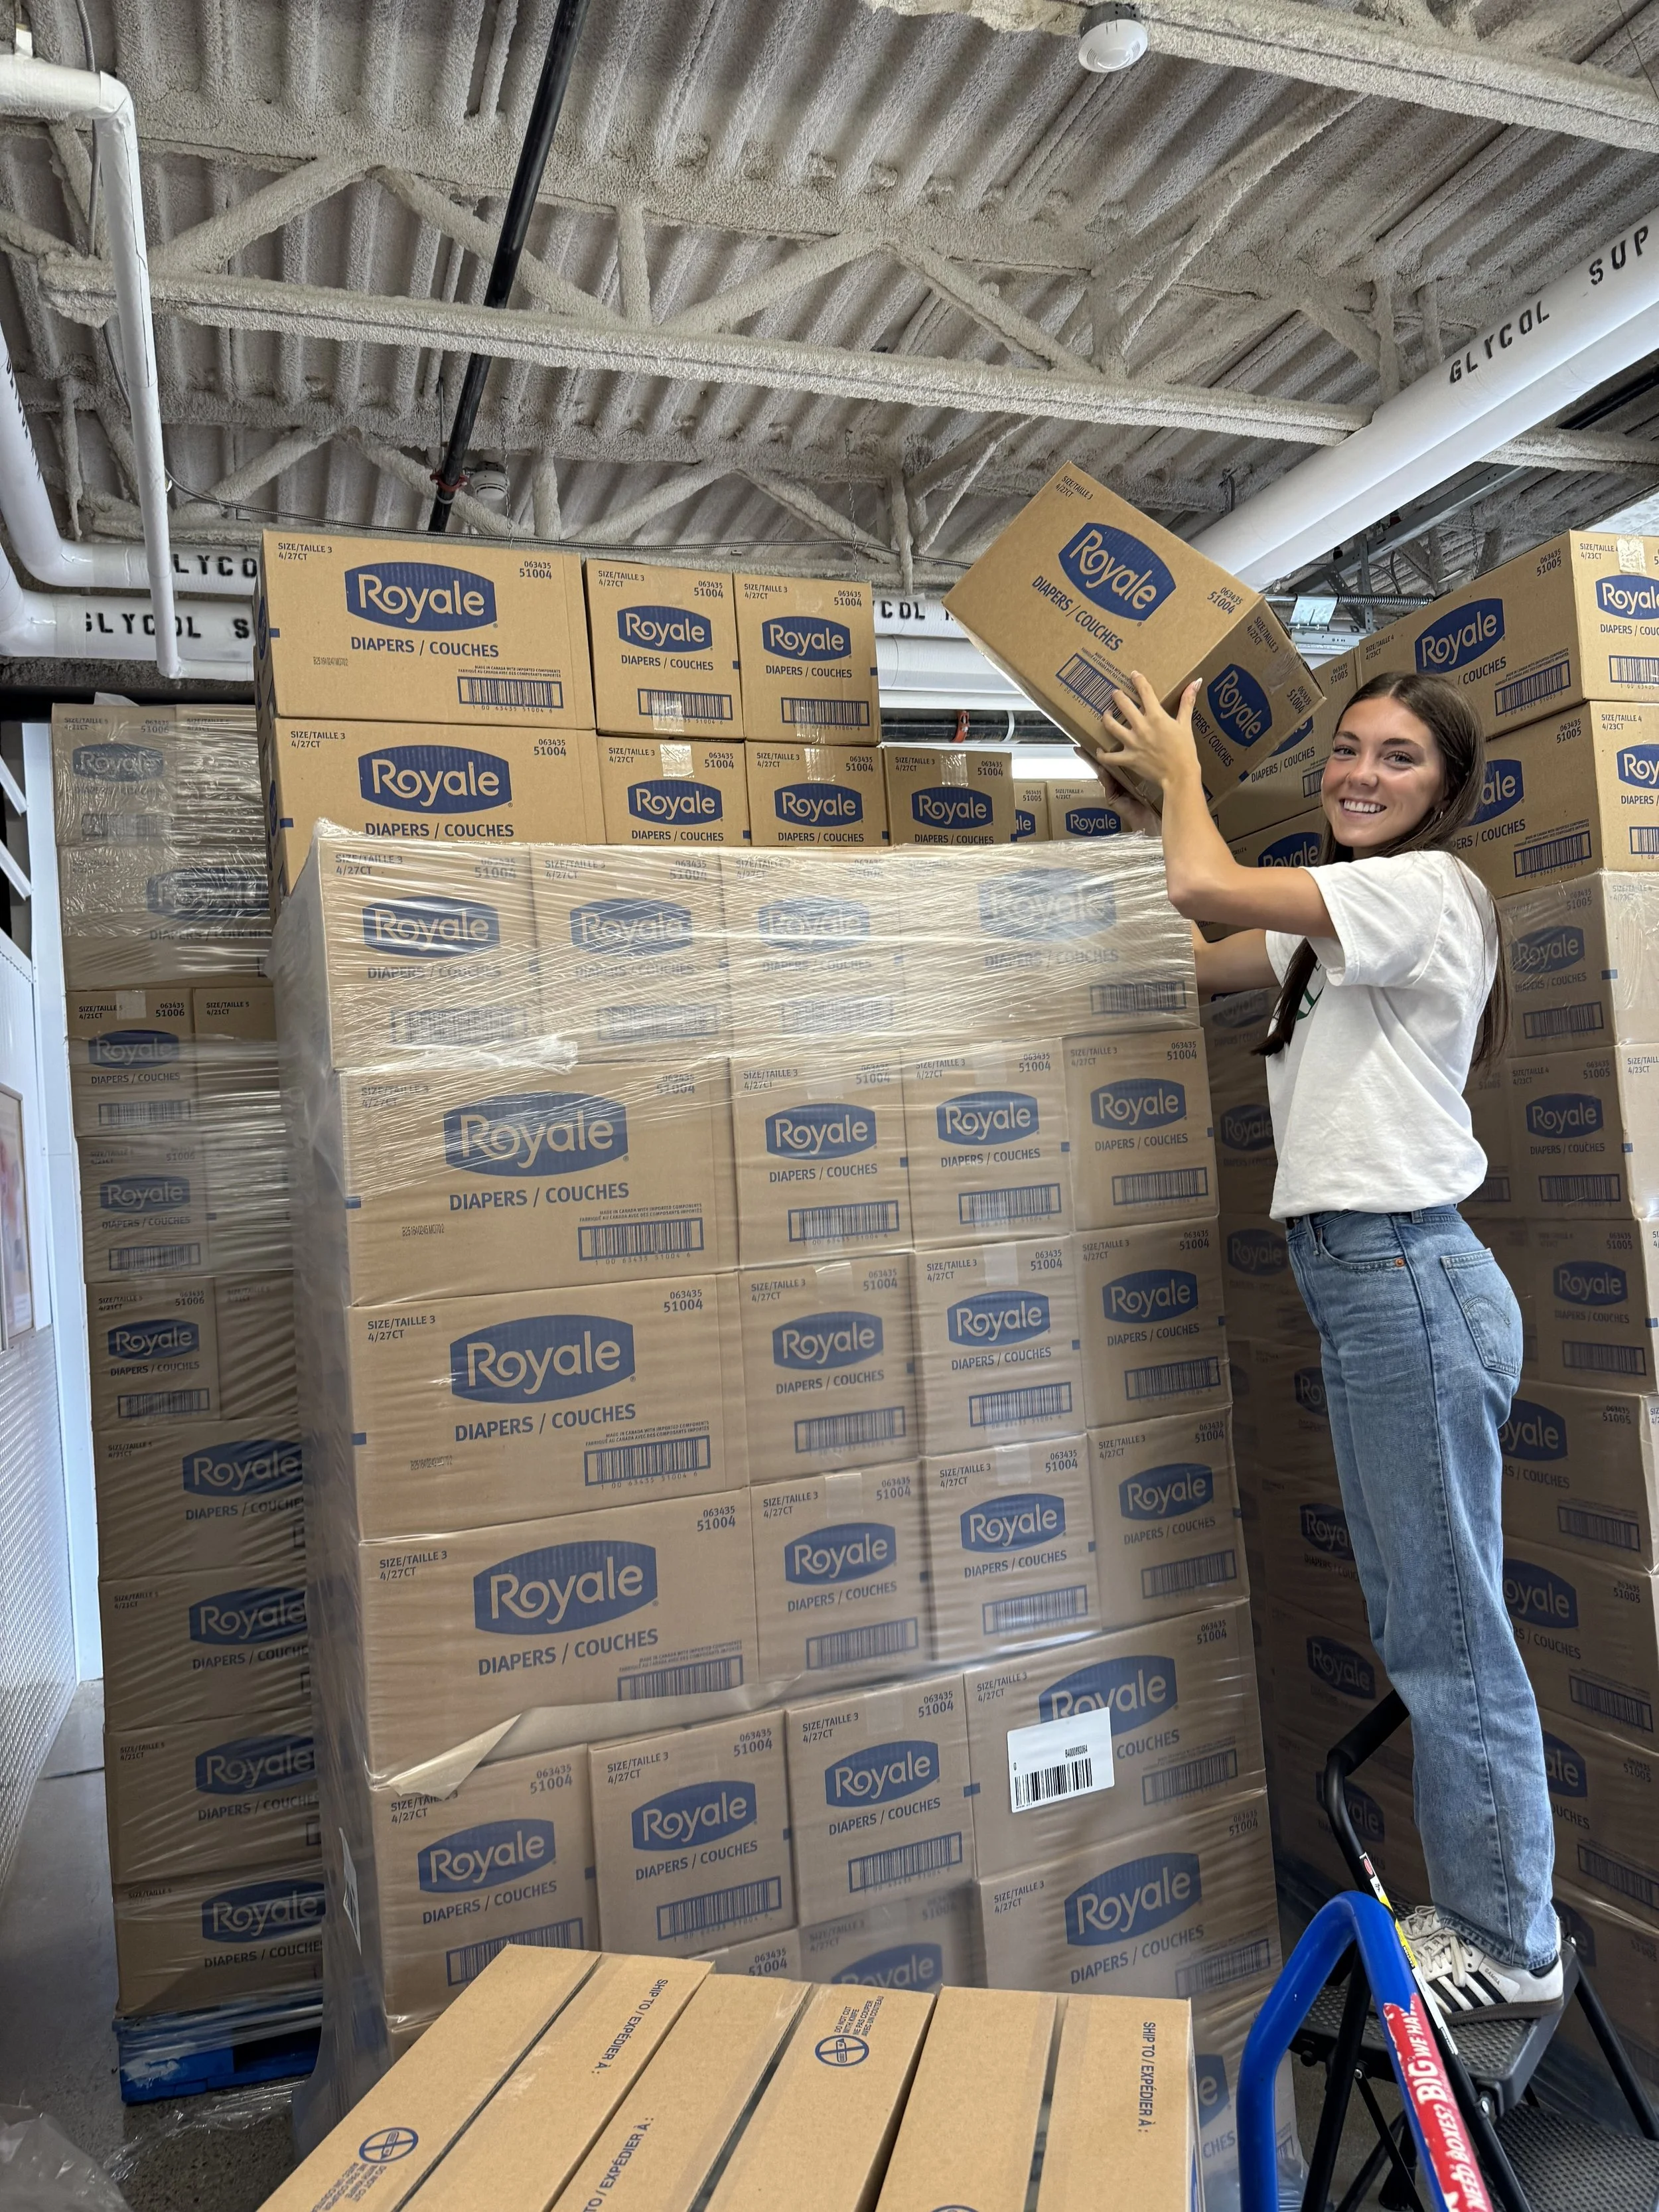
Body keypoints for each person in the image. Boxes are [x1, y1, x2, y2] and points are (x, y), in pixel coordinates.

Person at [1078, 667, 1560, 2022]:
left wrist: (1182, 781)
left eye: (1394, 759)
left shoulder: (1428, 894)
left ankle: (1505, 1934)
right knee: (1427, 1615)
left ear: (1442, 791)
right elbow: (1196, 948)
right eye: (1344, 749)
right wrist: (1146, 808)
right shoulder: (1339, 921)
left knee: (1448, 1633)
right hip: (1370, 1284)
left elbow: (1204, 891)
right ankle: (1482, 1906)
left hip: (1406, 1277)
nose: (1358, 773)